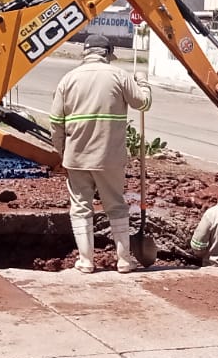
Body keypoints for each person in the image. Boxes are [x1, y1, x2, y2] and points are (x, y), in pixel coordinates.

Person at [50, 32, 151, 273]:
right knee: (116, 205)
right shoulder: (119, 76)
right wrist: (143, 83)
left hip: (77, 156)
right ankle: (124, 261)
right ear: (106, 54)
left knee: (80, 207)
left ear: (85, 53)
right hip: (110, 158)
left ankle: (86, 261)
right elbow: (143, 104)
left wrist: (62, 150)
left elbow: (55, 121)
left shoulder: (68, 79)